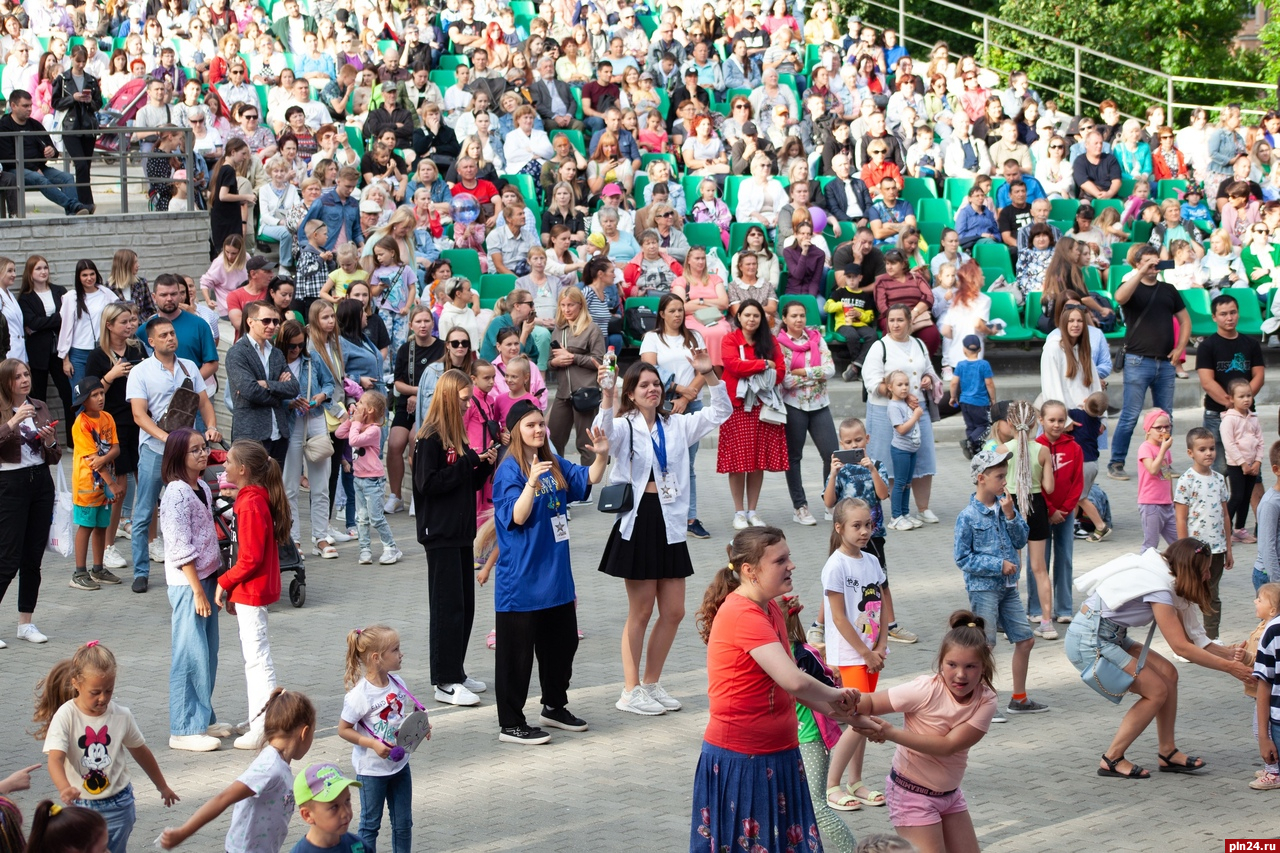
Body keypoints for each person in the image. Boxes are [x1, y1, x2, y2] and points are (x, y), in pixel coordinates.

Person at [690, 527, 861, 853]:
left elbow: (789, 686)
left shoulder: (770, 609)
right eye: (780, 560)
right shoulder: (743, 613)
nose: (791, 565)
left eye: (789, 557)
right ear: (749, 571)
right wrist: (836, 695)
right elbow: (793, 680)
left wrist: (833, 709)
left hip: (778, 755)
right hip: (744, 761)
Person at [596, 354, 729, 716]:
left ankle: (651, 683)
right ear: (632, 393)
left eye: (655, 384)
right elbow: (603, 433)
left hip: (670, 520)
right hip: (639, 520)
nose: (652, 389)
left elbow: (721, 413)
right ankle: (629, 688)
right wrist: (606, 394)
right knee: (640, 611)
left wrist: (708, 374)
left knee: (674, 611)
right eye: (644, 385)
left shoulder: (677, 425)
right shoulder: (625, 425)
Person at [1064, 539, 1255, 779]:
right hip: (1089, 640)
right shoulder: (1159, 587)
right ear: (1189, 569)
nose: (1208, 575)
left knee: (1168, 673)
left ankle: (1168, 752)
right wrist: (1230, 668)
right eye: (1204, 569)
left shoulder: (1168, 576)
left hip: (1111, 635)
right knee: (1156, 691)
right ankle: (1112, 758)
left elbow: (1196, 638)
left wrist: (1228, 653)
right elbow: (1181, 647)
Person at [490, 400, 608, 743]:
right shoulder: (509, 470)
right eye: (531, 425)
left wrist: (600, 456)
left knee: (563, 645)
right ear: (515, 431)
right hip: (522, 581)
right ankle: (511, 722)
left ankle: (554, 706)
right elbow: (517, 516)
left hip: (556, 578)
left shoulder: (551, 462)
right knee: (517, 656)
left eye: (541, 424)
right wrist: (530, 483)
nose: (539, 430)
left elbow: (587, 479)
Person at [851, 612, 999, 850]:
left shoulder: (986, 700)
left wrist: (889, 733)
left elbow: (948, 746)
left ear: (984, 667)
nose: (960, 674)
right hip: (912, 795)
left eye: (970, 666)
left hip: (950, 795)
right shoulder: (925, 689)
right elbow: (868, 703)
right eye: (952, 665)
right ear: (941, 662)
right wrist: (838, 698)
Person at [36, 641, 178, 852]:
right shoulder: (66, 715)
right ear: (76, 683)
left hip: (120, 804)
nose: (103, 698)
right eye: (95, 692)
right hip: (83, 806)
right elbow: (55, 759)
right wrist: (64, 788)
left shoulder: (121, 715)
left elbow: (141, 752)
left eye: (108, 690)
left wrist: (162, 786)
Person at [413, 369, 497, 708]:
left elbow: (467, 483)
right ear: (448, 397)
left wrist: (484, 465)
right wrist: (468, 464)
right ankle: (443, 680)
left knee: (463, 606)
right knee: (447, 608)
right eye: (463, 399)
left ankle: (456, 672)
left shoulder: (457, 436)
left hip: (462, 531)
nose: (467, 405)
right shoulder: (429, 437)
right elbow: (426, 484)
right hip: (441, 533)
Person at [158, 689, 316, 851]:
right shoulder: (269, 768)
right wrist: (183, 832)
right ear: (304, 733)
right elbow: (223, 798)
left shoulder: (280, 764)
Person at [153, 427, 228, 754]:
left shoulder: (201, 487)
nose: (202, 453)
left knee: (207, 653)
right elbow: (179, 546)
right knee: (189, 654)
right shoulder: (176, 493)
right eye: (194, 450)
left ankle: (203, 718)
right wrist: (198, 590)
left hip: (207, 579)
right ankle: (183, 728)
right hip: (188, 585)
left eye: (203, 448)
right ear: (177, 456)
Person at [214, 440, 290, 752]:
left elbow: (250, 558)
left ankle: (263, 726)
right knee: (256, 659)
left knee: (257, 660)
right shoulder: (252, 497)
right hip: (251, 590)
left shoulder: (250, 503)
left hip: (251, 590)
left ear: (243, 470)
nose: (224, 466)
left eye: (229, 462)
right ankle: (259, 718)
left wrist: (225, 581)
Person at [821, 497, 893, 813]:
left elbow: (880, 606)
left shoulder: (872, 560)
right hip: (850, 656)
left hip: (871, 655)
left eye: (868, 524)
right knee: (857, 720)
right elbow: (838, 617)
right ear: (839, 528)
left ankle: (856, 781)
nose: (864, 531)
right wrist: (865, 652)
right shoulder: (835, 566)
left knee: (862, 717)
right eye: (857, 525)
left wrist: (880, 647)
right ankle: (831, 786)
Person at [339, 626, 423, 853]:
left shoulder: (399, 684)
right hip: (372, 771)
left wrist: (420, 727)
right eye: (395, 650)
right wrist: (373, 744)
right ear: (376, 658)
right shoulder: (360, 695)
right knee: (369, 825)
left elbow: (401, 720)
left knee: (404, 824)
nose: (401, 654)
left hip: (400, 766)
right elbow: (343, 729)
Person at [1108, 246, 1189, 481]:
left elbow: (1185, 321)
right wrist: (1141, 270)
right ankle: (1116, 463)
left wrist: (1180, 348)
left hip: (1164, 362)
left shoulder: (1169, 290)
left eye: (1154, 261)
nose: (1152, 265)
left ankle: (1164, 461)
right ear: (1136, 264)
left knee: (1166, 416)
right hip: (1137, 361)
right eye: (1145, 261)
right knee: (1130, 415)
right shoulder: (1132, 287)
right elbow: (1119, 297)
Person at [862, 304, 942, 526]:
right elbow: (871, 381)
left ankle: (922, 508)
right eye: (891, 320)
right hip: (886, 411)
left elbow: (928, 369)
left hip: (918, 409)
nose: (895, 324)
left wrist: (928, 378)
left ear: (909, 322)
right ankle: (885, 512)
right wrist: (898, 395)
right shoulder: (880, 347)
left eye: (900, 320)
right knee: (885, 460)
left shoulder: (918, 344)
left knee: (923, 457)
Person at [0, 358, 60, 645]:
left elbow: (55, 453)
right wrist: (13, 421)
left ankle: (26, 623)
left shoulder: (39, 405)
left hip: (40, 481)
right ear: (5, 382)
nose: (25, 379)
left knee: (32, 558)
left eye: (26, 374)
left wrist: (48, 441)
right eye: (17, 376)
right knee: (7, 557)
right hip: (10, 483)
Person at [720, 298, 788, 529]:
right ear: (739, 317)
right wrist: (762, 364)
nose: (751, 319)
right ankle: (738, 512)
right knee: (738, 463)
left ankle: (752, 511)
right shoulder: (730, 339)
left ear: (762, 318)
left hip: (762, 406)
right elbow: (733, 366)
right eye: (747, 315)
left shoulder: (770, 341)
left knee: (757, 462)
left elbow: (779, 371)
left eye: (756, 316)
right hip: (737, 406)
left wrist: (762, 365)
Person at [775, 300, 838, 527]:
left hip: (820, 403)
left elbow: (830, 369)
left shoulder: (816, 338)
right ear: (785, 318)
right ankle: (799, 506)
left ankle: (830, 501)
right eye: (794, 316)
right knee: (794, 457)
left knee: (832, 454)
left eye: (802, 315)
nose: (799, 320)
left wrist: (803, 371)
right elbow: (786, 379)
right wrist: (814, 375)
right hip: (794, 405)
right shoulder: (779, 344)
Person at [1174, 427, 1233, 642]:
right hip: (1195, 552)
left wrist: (1229, 547)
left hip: (1216, 550)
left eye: (1211, 448)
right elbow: (1180, 518)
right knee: (1187, 596)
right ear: (1191, 453)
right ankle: (1184, 640)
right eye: (1202, 449)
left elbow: (1226, 516)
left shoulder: (1219, 479)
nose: (1208, 453)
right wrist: (1183, 550)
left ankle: (1211, 638)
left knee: (1212, 594)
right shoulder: (1186, 480)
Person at [225, 301, 298, 465]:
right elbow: (250, 390)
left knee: (274, 488)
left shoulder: (277, 353)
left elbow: (294, 387)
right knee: (253, 488)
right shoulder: (237, 353)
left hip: (279, 434)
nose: (272, 326)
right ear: (250, 322)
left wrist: (267, 384)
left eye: (275, 321)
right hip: (251, 435)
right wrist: (279, 395)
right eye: (266, 321)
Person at [335, 392, 402, 567]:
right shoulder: (358, 425)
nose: (356, 404)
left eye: (361, 402)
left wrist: (356, 423)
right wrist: (351, 420)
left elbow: (353, 440)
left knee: (376, 518)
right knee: (361, 518)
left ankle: (391, 547)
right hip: (359, 478)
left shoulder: (374, 429)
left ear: (370, 409)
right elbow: (340, 433)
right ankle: (365, 549)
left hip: (373, 481)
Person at [66, 375, 120, 593]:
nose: (100, 398)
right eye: (94, 395)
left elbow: (115, 449)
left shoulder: (107, 418)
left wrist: (104, 459)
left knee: (101, 526)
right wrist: (113, 484)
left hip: (104, 486)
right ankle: (79, 572)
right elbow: (92, 462)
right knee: (86, 526)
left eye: (101, 393)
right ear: (83, 401)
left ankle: (98, 568)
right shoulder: (81, 424)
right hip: (87, 485)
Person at [0, 90, 92, 215]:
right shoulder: (4, 126)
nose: (29, 109)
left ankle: (73, 214)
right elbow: (7, 157)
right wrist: (33, 167)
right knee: (39, 179)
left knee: (67, 178)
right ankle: (74, 206)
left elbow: (52, 149)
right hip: (15, 169)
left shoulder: (35, 125)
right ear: (13, 106)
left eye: (30, 105)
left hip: (39, 168)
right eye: (25, 106)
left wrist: (51, 151)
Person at [547, 288, 606, 465]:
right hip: (563, 393)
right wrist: (555, 363)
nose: (566, 309)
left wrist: (573, 357)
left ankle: (586, 488)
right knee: (553, 440)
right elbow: (550, 361)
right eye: (563, 305)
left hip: (585, 392)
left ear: (580, 305)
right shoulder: (559, 329)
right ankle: (558, 482)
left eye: (571, 305)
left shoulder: (592, 329)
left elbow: (599, 361)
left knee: (586, 444)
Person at [18, 256, 72, 443]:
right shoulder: (25, 298)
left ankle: (73, 442)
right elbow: (32, 322)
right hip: (38, 354)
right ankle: (40, 439)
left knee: (68, 394)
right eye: (38, 268)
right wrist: (58, 318)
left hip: (60, 352)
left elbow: (68, 317)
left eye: (45, 268)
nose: (43, 271)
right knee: (38, 397)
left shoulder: (59, 292)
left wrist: (41, 325)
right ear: (30, 273)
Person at [51, 45, 103, 209]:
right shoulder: (62, 79)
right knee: (80, 165)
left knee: (85, 166)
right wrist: (72, 98)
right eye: (78, 61)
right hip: (70, 127)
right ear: (71, 58)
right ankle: (85, 202)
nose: (81, 64)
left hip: (87, 126)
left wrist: (90, 102)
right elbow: (55, 103)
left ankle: (85, 203)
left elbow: (99, 103)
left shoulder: (91, 79)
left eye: (83, 61)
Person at [57, 260, 116, 399]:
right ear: (79, 277)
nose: (89, 278)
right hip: (78, 354)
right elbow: (65, 329)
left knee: (102, 394)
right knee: (81, 397)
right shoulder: (71, 297)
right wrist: (65, 359)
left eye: (92, 274)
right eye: (84, 275)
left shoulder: (106, 294)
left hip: (103, 350)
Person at [1222, 378, 1266, 545]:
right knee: (1237, 497)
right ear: (1231, 398)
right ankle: (1224, 530)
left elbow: (1260, 441)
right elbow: (1229, 444)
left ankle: (1239, 530)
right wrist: (1242, 464)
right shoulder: (1229, 419)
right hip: (1236, 465)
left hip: (1252, 465)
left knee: (1247, 496)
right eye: (1241, 396)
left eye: (1249, 395)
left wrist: (1257, 462)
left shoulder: (1253, 418)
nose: (1246, 399)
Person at [951, 336, 995, 458]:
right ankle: (971, 441)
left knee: (971, 426)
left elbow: (954, 382)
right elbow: (989, 383)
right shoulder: (984, 364)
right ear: (980, 349)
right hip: (980, 401)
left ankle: (973, 450)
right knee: (984, 425)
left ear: (964, 349)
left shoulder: (960, 365)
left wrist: (953, 396)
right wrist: (992, 398)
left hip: (964, 401)